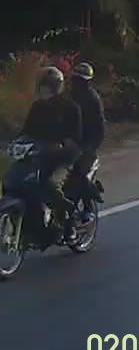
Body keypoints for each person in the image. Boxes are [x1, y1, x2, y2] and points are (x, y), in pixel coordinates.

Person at [18, 67, 82, 238]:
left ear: (56, 87)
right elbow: (26, 132)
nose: (44, 90)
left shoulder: (71, 108)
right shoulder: (37, 106)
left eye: (48, 86)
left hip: (64, 158)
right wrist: (16, 144)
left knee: (51, 185)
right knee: (19, 181)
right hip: (40, 155)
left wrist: (62, 145)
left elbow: (74, 138)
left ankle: (69, 219)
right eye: (42, 86)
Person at [67, 61, 104, 221]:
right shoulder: (67, 96)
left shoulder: (93, 99)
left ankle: (88, 206)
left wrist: (89, 147)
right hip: (68, 141)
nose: (77, 83)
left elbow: (100, 128)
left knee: (80, 173)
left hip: (87, 143)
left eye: (81, 80)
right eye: (76, 79)